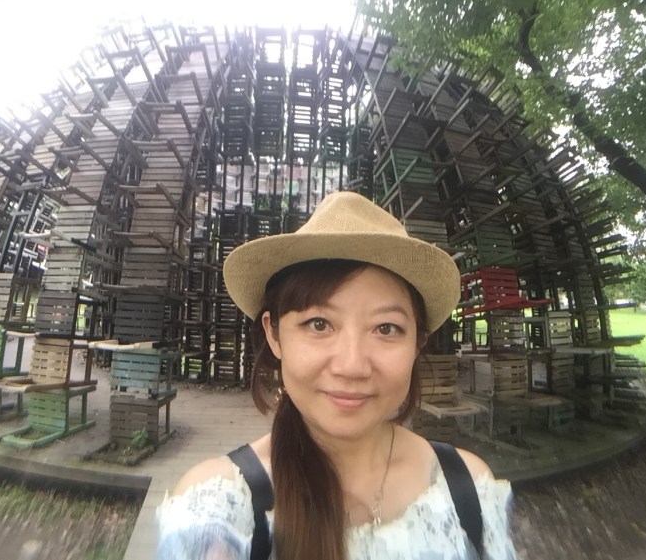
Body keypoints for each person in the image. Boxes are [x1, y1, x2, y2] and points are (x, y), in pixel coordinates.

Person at [157, 191, 518, 560]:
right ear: (274, 335)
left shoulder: (467, 488)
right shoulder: (220, 506)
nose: (352, 366)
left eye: (386, 328)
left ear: (417, 344)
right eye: (319, 324)